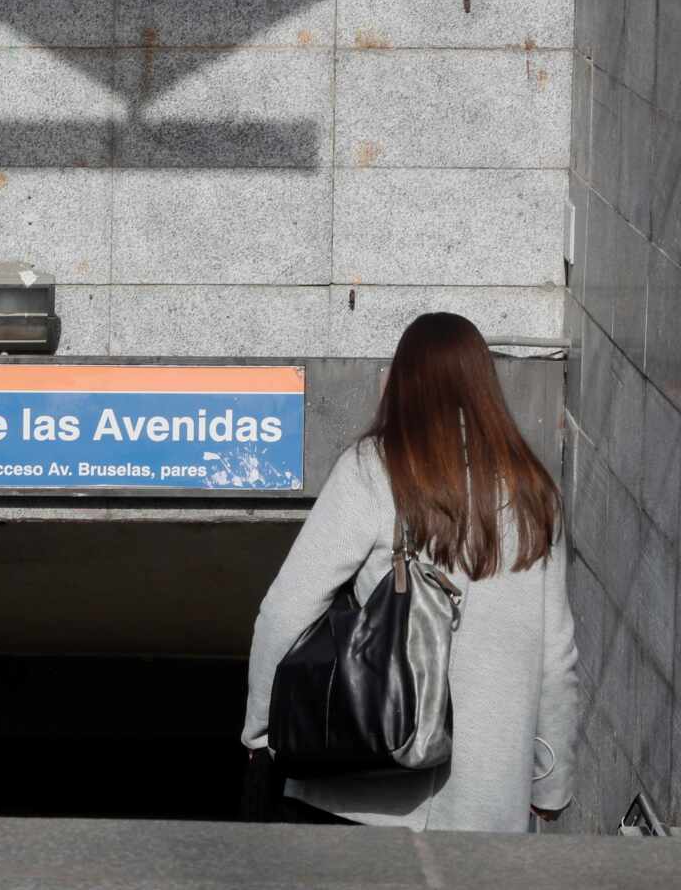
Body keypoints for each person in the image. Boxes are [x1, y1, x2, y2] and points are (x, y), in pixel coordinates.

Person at [242, 312, 578, 832]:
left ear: (402, 383)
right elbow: (557, 658)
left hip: (370, 792)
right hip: (487, 809)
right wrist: (549, 783)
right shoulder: (536, 495)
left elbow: (286, 609)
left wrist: (262, 733)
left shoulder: (376, 469)